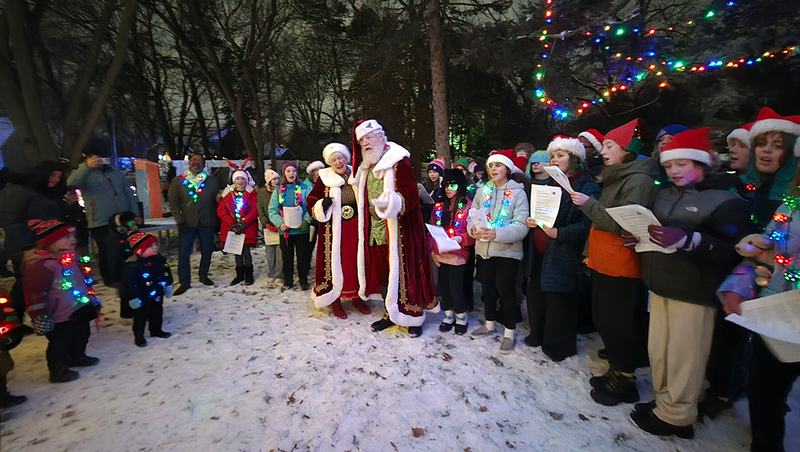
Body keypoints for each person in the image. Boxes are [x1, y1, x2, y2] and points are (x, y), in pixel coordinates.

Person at [622, 128, 750, 439]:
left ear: (702, 162)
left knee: (684, 357)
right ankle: (665, 403)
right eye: (668, 165)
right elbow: (655, 231)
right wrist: (637, 237)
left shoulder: (725, 201)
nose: (674, 171)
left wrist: (689, 240)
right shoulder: (664, 194)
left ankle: (678, 416)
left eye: (682, 164)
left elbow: (735, 252)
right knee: (661, 352)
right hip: (661, 285)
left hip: (695, 292)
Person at [716, 112, 800, 452]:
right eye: (761, 144)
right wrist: (739, 284)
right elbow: (765, 249)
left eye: (777, 146)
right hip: (777, 312)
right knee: (765, 390)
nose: (766, 151)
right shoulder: (790, 206)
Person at [571, 118, 659, 406]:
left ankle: (625, 379)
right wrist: (589, 252)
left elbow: (623, 224)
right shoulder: (616, 176)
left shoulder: (639, 181)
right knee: (605, 318)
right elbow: (599, 224)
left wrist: (588, 204)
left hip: (622, 263)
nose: (603, 152)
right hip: (604, 258)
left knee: (619, 321)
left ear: (627, 149)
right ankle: (616, 370)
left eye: (609, 146)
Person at [350, 119, 436, 337]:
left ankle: (413, 317)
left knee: (408, 275)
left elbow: (410, 194)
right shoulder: (365, 168)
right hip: (376, 233)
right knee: (384, 276)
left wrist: (390, 204)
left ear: (381, 136)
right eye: (362, 141)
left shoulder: (398, 161)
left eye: (369, 138)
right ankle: (390, 313)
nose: (366, 143)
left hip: (401, 232)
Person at [525, 136, 599, 361]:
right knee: (537, 292)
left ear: (574, 158)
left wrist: (560, 233)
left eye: (560, 155)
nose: (554, 160)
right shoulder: (550, 184)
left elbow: (588, 224)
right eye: (552, 156)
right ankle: (538, 333)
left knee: (559, 298)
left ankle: (558, 345)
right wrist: (532, 220)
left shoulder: (586, 186)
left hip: (563, 251)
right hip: (540, 248)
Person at [23, 219, 100, 383]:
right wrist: (39, 315)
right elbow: (34, 292)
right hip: (58, 314)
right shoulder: (42, 265)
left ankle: (77, 355)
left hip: (78, 307)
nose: (73, 239)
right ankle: (57, 369)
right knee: (60, 342)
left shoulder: (71, 259)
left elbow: (82, 279)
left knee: (81, 334)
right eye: (67, 237)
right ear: (51, 242)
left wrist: (90, 297)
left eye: (73, 236)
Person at [468, 149, 529, 353]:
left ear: (508, 169)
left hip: (506, 251)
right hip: (484, 250)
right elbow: (471, 216)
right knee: (487, 289)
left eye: (498, 165)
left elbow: (521, 225)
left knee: (506, 291)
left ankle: (509, 333)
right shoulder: (482, 191)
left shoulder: (518, 193)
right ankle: (489, 324)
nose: (493, 169)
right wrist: (473, 230)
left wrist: (496, 233)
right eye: (490, 166)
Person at [307, 143, 371, 319]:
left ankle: (358, 297)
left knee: (357, 262)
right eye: (334, 160)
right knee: (337, 263)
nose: (338, 162)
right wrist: (322, 205)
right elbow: (311, 200)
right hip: (334, 230)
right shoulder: (324, 177)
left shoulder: (357, 174)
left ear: (346, 158)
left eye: (340, 158)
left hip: (356, 226)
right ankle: (335, 300)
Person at [66, 148, 141, 285]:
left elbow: (128, 193)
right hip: (100, 219)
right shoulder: (84, 173)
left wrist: (134, 214)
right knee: (106, 250)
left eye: (99, 157)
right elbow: (71, 182)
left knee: (124, 248)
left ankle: (125, 275)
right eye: (93, 157)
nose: (98, 160)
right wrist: (86, 167)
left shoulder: (115, 172)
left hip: (122, 218)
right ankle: (110, 279)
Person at [168, 153, 220, 295]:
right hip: (186, 222)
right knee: (184, 252)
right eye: (194, 160)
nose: (197, 163)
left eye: (200, 161)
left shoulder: (211, 181)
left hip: (207, 221)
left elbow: (216, 201)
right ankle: (184, 281)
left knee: (207, 250)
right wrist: (179, 219)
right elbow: (173, 203)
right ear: (189, 162)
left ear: (204, 164)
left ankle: (203, 274)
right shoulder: (178, 181)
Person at [430, 169, 474, 334]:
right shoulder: (439, 207)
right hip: (441, 254)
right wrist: (433, 249)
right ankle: (448, 314)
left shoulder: (467, 206)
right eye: (446, 185)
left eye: (453, 185)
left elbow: (472, 232)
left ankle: (461, 315)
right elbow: (432, 229)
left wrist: (461, 239)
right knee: (444, 287)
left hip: (458, 255)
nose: (449, 189)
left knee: (456, 288)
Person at [122, 232, 174, 347]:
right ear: (139, 250)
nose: (155, 247)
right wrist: (133, 297)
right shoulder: (133, 265)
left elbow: (166, 272)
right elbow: (129, 284)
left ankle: (156, 329)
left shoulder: (159, 260)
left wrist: (169, 284)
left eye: (156, 244)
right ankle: (139, 336)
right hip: (142, 295)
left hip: (157, 292)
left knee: (157, 312)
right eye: (150, 246)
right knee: (140, 316)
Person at [268, 161, 313, 291]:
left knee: (302, 257)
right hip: (286, 232)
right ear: (284, 173)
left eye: (293, 171)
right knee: (286, 258)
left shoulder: (305, 188)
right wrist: (279, 223)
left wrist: (306, 221)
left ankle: (303, 280)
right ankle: (288, 281)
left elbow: (310, 206)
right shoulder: (278, 190)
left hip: (301, 231)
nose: (291, 173)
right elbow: (272, 210)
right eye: (288, 171)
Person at [218, 166, 259, 286]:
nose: (240, 181)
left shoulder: (251, 193)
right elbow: (222, 211)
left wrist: (244, 222)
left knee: (246, 251)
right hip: (233, 227)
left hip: (247, 227)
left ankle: (249, 274)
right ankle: (239, 274)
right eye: (238, 179)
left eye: (242, 178)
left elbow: (254, 210)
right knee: (237, 251)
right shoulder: (228, 195)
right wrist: (232, 224)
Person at [257, 169, 283, 286]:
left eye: (277, 178)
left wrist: (280, 223)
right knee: (270, 251)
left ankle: (279, 274)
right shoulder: (262, 192)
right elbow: (260, 209)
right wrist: (266, 223)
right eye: (273, 179)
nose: (276, 181)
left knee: (279, 251)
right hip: (267, 226)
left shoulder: (281, 190)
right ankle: (271, 273)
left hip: (279, 224)